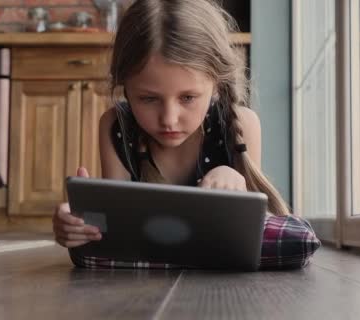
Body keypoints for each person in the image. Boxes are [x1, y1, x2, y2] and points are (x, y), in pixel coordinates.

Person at [52, 0, 320, 269]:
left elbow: (252, 233)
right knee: (85, 254)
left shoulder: (242, 124)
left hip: (218, 283)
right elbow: (117, 230)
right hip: (147, 271)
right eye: (148, 98)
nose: (169, 119)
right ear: (124, 87)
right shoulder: (115, 125)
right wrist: (77, 224)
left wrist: (236, 183)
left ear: (216, 84)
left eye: (188, 97)